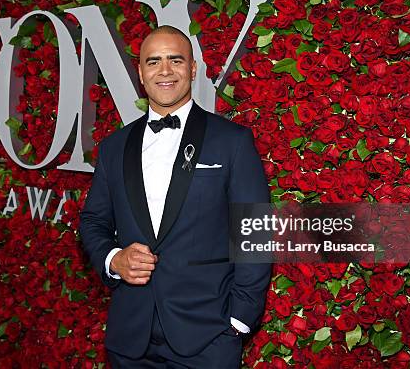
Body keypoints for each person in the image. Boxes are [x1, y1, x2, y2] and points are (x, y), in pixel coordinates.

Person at [79, 25, 271, 368]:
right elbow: (93, 220)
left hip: (208, 338)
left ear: (193, 68)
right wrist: (113, 259)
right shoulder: (113, 147)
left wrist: (240, 319)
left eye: (175, 60)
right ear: (140, 73)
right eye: (153, 62)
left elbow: (255, 230)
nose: (164, 71)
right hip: (130, 338)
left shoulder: (232, 141)